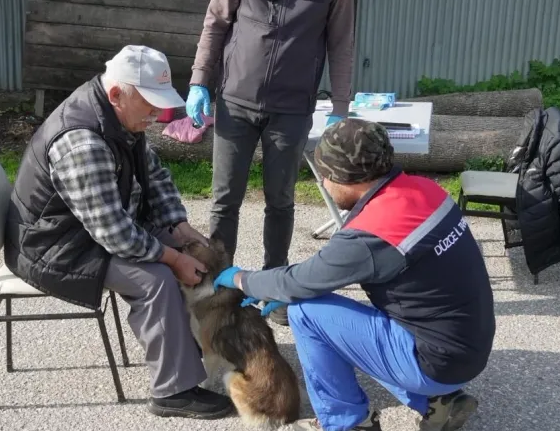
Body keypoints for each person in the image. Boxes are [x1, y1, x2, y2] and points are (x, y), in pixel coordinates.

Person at [212, 119, 496, 431]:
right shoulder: (425, 190)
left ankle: (349, 423)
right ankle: (437, 403)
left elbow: (299, 282)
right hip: (471, 346)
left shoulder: (371, 233)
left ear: (342, 177)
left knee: (306, 312)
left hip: (437, 365)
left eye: (324, 176)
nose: (323, 183)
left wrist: (240, 278)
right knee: (344, 318)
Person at [3, 45, 234, 420]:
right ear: (116, 94)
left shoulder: (120, 116)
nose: (159, 115)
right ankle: (173, 392)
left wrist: (178, 225)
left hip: (85, 231)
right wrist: (173, 257)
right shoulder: (81, 140)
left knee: (188, 249)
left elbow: (153, 173)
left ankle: (183, 347)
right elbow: (114, 234)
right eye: (151, 104)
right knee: (156, 278)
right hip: (56, 248)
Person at [186, 0, 356, 326]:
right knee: (225, 199)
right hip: (236, 100)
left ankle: (274, 289)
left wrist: (341, 106)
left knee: (280, 200)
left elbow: (342, 42)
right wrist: (198, 81)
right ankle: (221, 284)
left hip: (292, 108)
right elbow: (216, 22)